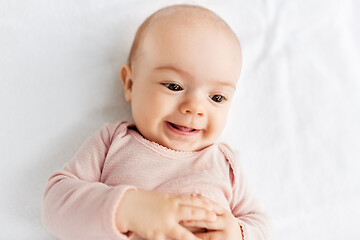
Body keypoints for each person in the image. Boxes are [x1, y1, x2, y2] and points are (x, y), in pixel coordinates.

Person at [42, 4, 272, 240]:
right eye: (174, 86)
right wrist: (129, 208)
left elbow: (260, 223)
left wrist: (239, 233)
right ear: (130, 84)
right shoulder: (114, 142)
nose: (195, 107)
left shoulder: (224, 164)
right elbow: (55, 203)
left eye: (216, 97)